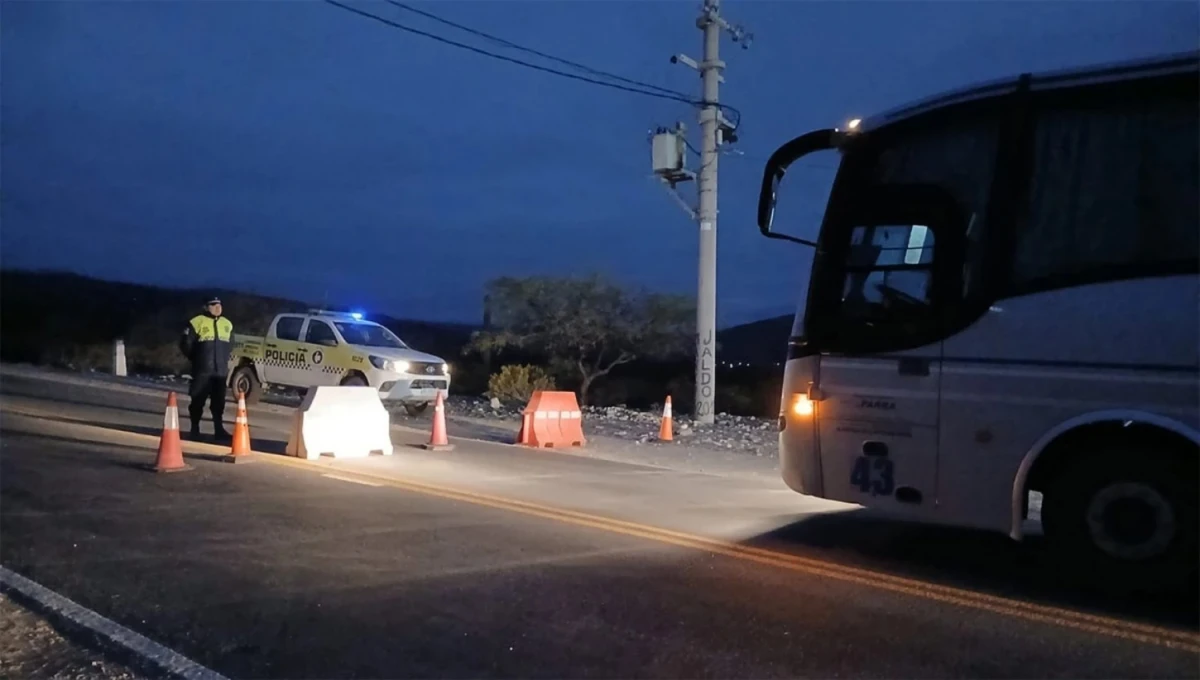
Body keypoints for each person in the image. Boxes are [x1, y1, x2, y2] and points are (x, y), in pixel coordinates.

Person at [179, 295, 234, 439]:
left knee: (219, 402)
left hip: (220, 371)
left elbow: (230, 345)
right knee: (197, 400)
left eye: (219, 304)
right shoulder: (196, 322)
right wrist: (197, 360)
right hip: (202, 370)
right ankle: (195, 429)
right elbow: (186, 345)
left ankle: (218, 429)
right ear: (205, 307)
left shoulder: (227, 324)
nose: (217, 307)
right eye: (213, 304)